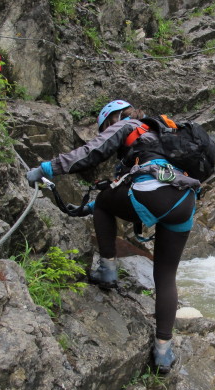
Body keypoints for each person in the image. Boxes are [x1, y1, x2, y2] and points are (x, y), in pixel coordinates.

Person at [26, 100, 199, 373]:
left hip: (153, 191)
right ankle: (163, 353)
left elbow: (90, 152)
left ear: (112, 119)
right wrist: (88, 209)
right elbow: (123, 193)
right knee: (166, 275)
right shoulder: (160, 138)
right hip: (185, 202)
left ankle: (107, 272)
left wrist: (46, 169)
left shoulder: (126, 125)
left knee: (105, 200)